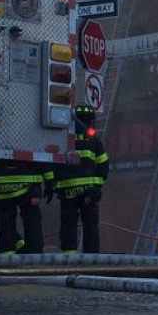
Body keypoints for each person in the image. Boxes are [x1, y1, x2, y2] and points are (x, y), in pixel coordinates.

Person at [55, 104, 108, 253]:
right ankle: (91, 261)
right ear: (90, 121)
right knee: (90, 228)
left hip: (67, 192)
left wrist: (55, 186)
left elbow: (52, 164)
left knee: (68, 227)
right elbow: (104, 166)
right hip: (88, 193)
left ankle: (68, 260)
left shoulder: (62, 138)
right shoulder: (93, 140)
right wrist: (96, 188)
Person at [0, 165, 52, 254]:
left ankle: (7, 256)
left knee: (5, 221)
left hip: (2, 183)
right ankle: (34, 256)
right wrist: (50, 183)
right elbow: (44, 158)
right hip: (28, 182)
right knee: (32, 219)